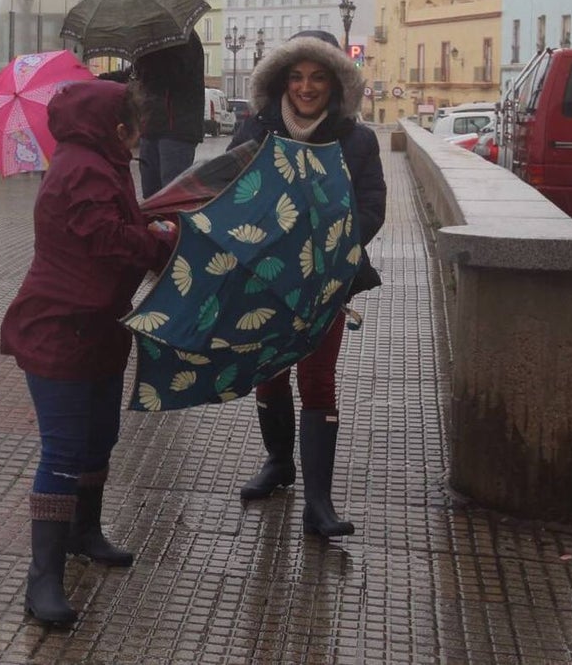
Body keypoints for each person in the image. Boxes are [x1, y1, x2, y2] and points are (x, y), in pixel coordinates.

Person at [0, 80, 176, 626]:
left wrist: (155, 227)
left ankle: (83, 532)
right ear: (117, 127)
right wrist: (164, 240)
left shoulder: (102, 160)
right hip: (59, 328)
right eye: (136, 128)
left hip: (98, 326)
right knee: (63, 451)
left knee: (101, 437)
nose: (139, 138)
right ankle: (43, 579)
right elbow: (108, 237)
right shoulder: (82, 168)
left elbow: (122, 224)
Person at [228, 30, 386, 538]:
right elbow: (228, 189)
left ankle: (318, 500)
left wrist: (330, 244)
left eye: (318, 77)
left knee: (317, 379)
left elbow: (371, 205)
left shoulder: (357, 140)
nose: (306, 87)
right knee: (269, 373)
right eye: (296, 76)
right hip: (266, 275)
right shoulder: (255, 130)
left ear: (336, 82)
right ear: (280, 81)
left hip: (326, 278)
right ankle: (279, 465)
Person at [133, 30, 205, 198]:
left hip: (177, 129)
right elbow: (137, 75)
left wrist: (147, 59)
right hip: (151, 126)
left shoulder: (184, 38)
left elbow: (173, 75)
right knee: (150, 194)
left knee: (171, 195)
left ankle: (175, 224)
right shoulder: (151, 40)